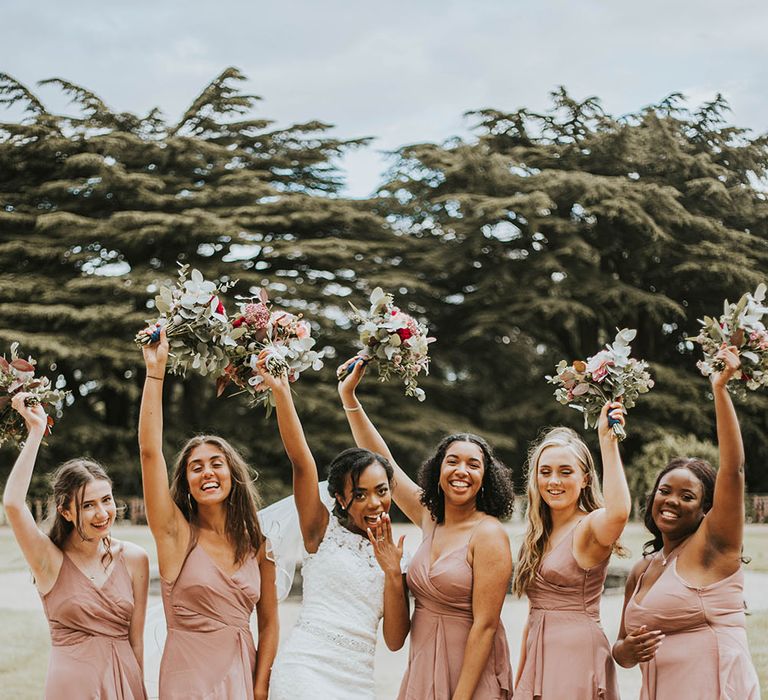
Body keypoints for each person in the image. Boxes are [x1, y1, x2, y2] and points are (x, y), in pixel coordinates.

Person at [338, 356, 514, 700]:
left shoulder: (488, 534)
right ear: (438, 470)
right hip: (423, 665)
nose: (461, 470)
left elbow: (486, 626)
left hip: (468, 674)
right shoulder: (428, 515)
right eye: (452, 461)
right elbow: (379, 457)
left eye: (473, 464)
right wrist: (350, 399)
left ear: (485, 478)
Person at [257, 354, 410, 700]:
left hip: (357, 680)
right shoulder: (319, 530)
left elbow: (395, 640)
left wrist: (392, 573)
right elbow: (301, 463)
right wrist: (281, 392)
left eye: (382, 491)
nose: (374, 503)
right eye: (360, 494)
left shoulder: (397, 554)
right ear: (341, 498)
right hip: (304, 671)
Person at [138, 328, 278, 700]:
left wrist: (261, 685)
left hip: (243, 675)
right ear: (186, 482)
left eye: (216, 464)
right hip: (188, 682)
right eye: (195, 467)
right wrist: (155, 372)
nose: (207, 472)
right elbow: (150, 453)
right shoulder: (175, 535)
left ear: (233, 475)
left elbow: (269, 620)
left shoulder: (257, 544)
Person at [613, 345, 760, 699]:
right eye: (665, 490)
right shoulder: (643, 569)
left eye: (687, 496)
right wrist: (627, 652)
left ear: (706, 508)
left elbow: (733, 470)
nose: (672, 501)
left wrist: (719, 390)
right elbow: (621, 649)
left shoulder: (714, 548)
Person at [2, 393, 149, 699]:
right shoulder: (49, 561)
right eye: (88, 505)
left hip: (124, 683)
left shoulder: (135, 559)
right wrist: (36, 432)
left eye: (106, 500)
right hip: (72, 688)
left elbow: (137, 642)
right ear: (66, 512)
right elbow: (14, 504)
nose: (102, 513)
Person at [512, 402, 629, 699]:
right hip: (540, 653)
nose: (553, 481)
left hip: (577, 655)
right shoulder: (537, 533)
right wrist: (521, 681)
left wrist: (607, 442)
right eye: (545, 472)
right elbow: (533, 615)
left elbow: (618, 513)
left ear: (585, 479)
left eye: (566, 472)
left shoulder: (589, 528)